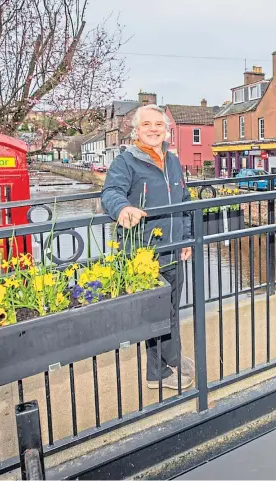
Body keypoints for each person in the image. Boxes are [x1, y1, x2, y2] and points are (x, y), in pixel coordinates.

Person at [101, 104, 194, 390]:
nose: (154, 129)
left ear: (166, 130)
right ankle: (159, 373)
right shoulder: (126, 162)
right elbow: (111, 193)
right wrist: (122, 208)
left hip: (174, 248)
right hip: (143, 253)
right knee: (155, 315)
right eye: (147, 125)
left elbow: (185, 200)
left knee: (171, 309)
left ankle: (172, 358)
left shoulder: (173, 160)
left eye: (159, 125)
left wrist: (186, 237)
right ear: (136, 130)